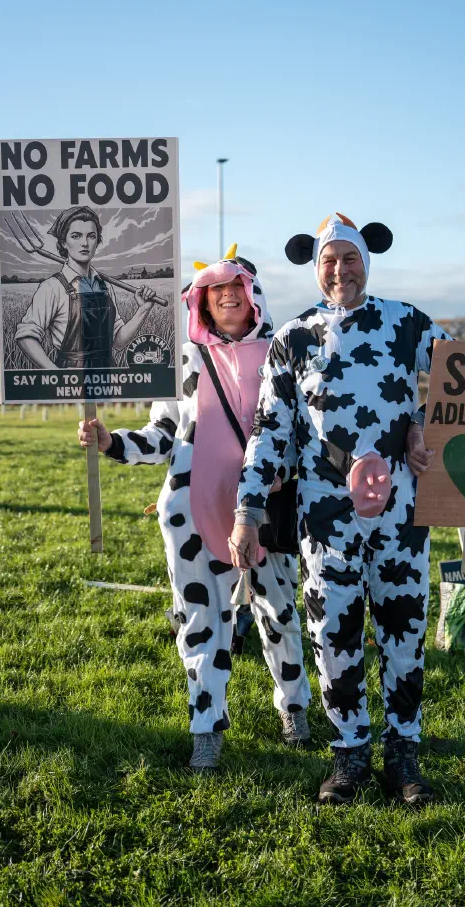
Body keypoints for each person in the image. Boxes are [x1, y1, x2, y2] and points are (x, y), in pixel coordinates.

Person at [230, 213, 448, 806]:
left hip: (401, 507)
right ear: (314, 264)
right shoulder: (293, 337)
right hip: (324, 512)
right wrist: (247, 513)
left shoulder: (408, 323)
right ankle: (349, 752)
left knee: (403, 627)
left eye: (349, 258)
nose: (340, 269)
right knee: (333, 632)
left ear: (366, 262)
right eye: (329, 259)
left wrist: (424, 426)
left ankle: (404, 753)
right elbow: (269, 430)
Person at [78, 245, 312, 773]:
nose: (228, 295)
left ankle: (294, 707)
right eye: (216, 290)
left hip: (266, 508)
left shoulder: (285, 354)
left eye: (238, 287)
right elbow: (164, 434)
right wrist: (112, 441)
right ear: (201, 301)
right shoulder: (183, 359)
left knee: (279, 612)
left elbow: (302, 432)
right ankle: (206, 729)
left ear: (254, 296)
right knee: (201, 621)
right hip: (190, 509)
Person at [15, 205, 157, 369]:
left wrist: (143, 309)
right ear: (63, 242)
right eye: (76, 236)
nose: (84, 243)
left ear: (97, 242)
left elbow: (117, 342)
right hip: (73, 381)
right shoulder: (52, 288)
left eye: (91, 236)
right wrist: (55, 373)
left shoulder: (104, 287)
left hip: (108, 375)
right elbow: (26, 336)